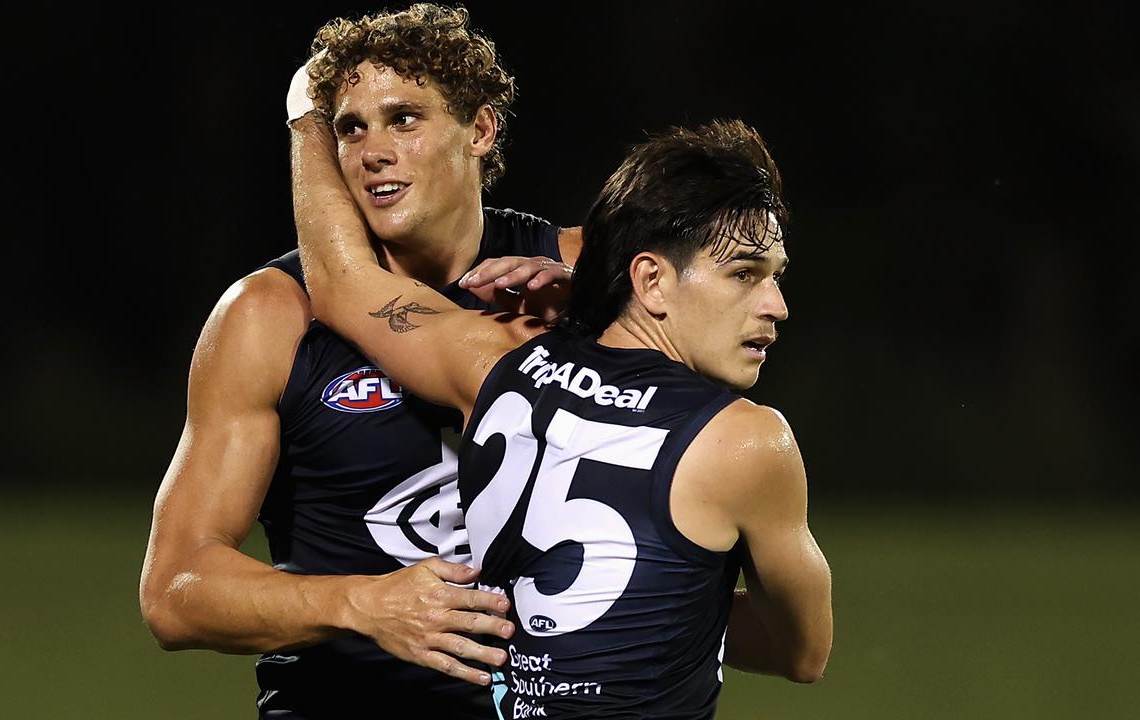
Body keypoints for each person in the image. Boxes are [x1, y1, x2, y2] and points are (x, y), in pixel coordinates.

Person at [291, 105, 834, 718]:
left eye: (775, 276)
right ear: (651, 281)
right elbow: (804, 653)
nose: (777, 305)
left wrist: (308, 117)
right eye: (744, 273)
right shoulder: (745, 441)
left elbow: (340, 278)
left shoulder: (497, 363)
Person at [139, 5, 581, 718]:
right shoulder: (269, 316)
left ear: (481, 129)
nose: (373, 151)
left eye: (404, 119)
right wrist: (359, 603)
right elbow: (174, 590)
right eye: (350, 127)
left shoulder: (581, 280)